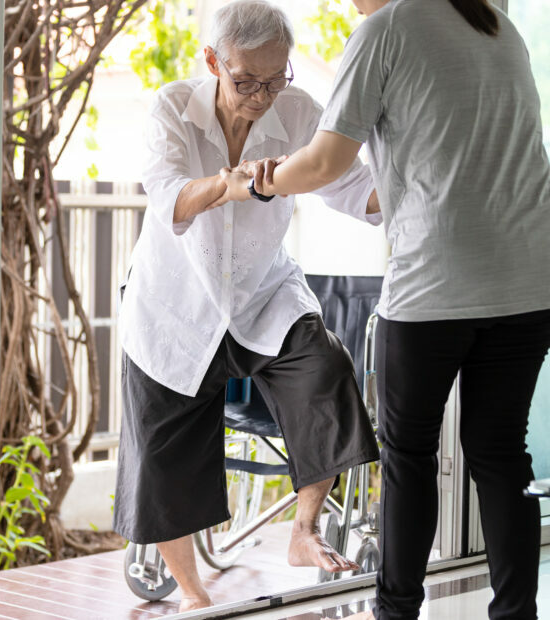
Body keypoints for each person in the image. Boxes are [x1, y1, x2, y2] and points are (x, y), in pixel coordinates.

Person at [230, 1, 550, 618]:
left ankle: (396, 612)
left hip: (436, 283)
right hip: (528, 279)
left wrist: (257, 180)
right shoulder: (495, 24)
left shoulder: (386, 31)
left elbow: (327, 160)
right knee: (502, 455)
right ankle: (517, 614)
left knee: (409, 456)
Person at [113, 0, 383, 612]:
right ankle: (192, 592)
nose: (262, 96)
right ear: (213, 61)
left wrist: (409, 195)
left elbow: (349, 187)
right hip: (174, 305)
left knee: (326, 372)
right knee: (164, 451)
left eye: (275, 78)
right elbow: (167, 200)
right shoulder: (171, 109)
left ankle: (303, 531)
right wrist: (227, 184)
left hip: (263, 293)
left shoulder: (298, 111)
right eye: (246, 82)